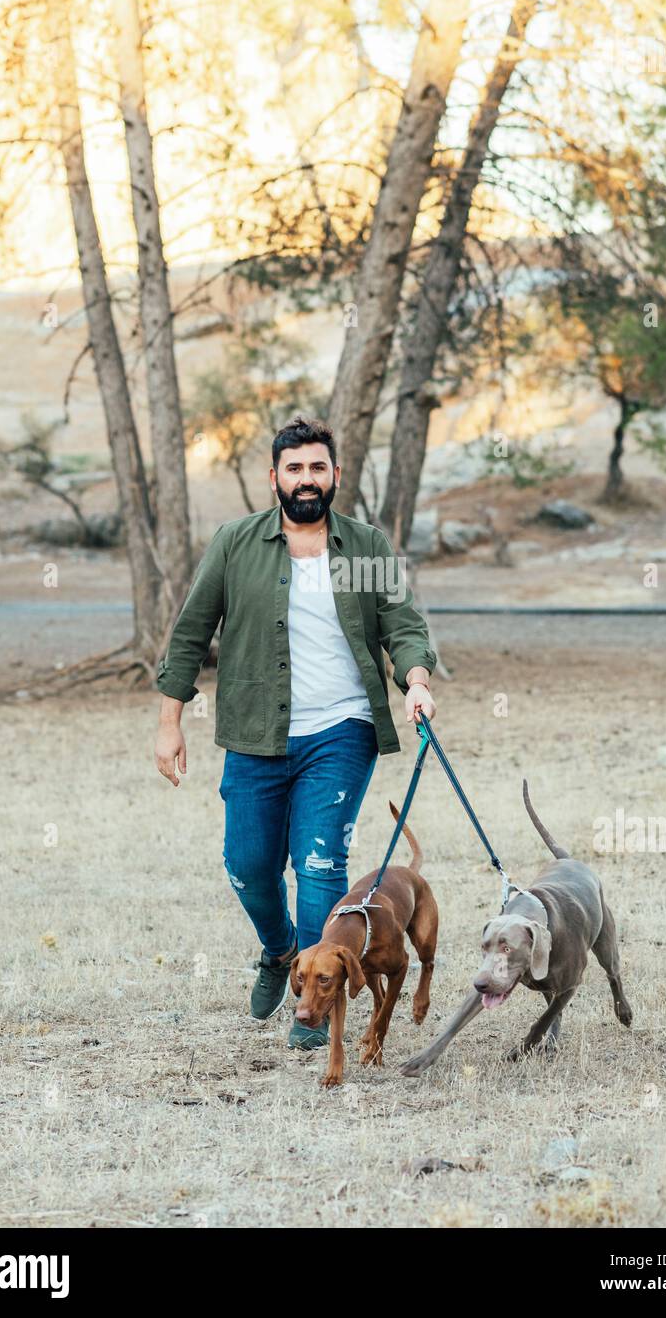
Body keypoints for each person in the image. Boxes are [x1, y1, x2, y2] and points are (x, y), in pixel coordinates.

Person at [154, 416, 436, 1049]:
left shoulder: (365, 547)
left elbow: (403, 622)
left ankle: (316, 1009)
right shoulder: (236, 544)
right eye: (294, 469)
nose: (306, 480)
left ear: (335, 475)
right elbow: (190, 632)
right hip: (256, 734)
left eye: (318, 468)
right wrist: (170, 722)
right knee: (248, 866)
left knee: (320, 862)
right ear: (274, 478)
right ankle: (282, 953)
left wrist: (415, 680)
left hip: (343, 730)